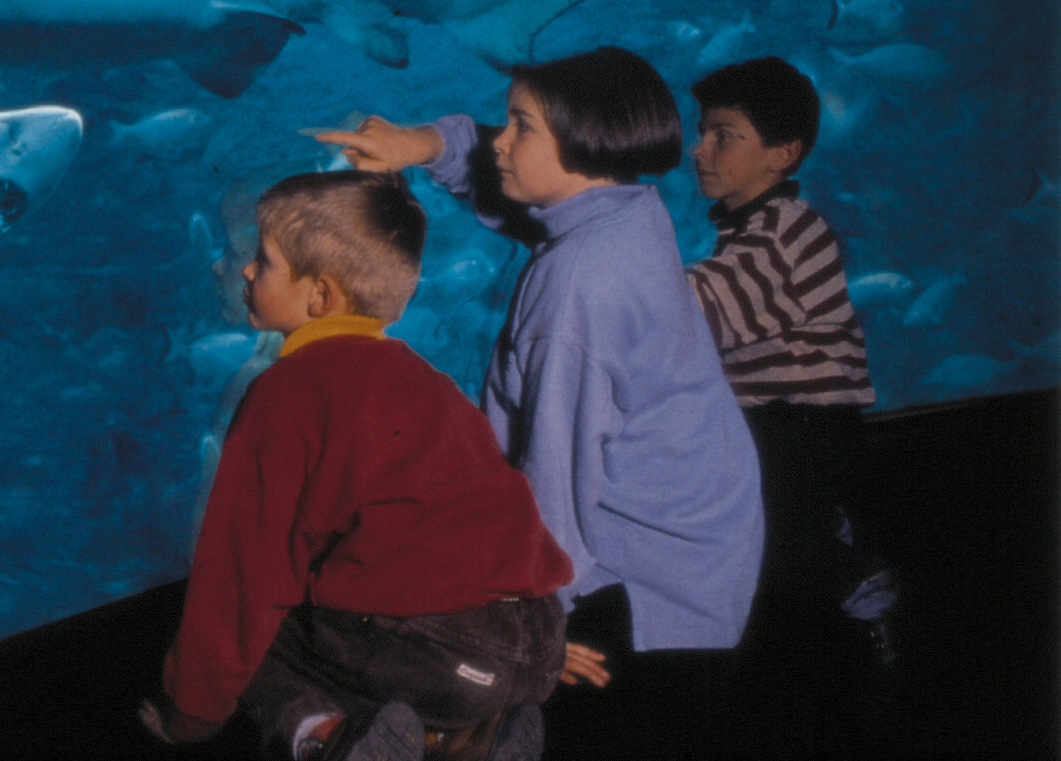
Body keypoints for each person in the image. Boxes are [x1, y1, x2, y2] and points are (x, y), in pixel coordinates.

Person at [318, 46, 764, 760]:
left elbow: (560, 479)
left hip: (644, 571)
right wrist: (421, 143)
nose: (501, 139)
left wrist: (528, 632)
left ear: (585, 141)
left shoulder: (578, 292)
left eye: (521, 127)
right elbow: (504, 187)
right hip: (699, 529)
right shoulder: (622, 207)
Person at [139, 170, 573, 761]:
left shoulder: (286, 391)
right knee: (388, 638)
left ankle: (328, 739)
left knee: (261, 637)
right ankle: (477, 738)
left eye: (262, 262)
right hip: (531, 637)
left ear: (319, 296)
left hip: (437, 650)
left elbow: (242, 574)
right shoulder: (431, 381)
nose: (245, 270)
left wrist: (190, 710)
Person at [686, 57, 897, 751]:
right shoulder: (753, 229)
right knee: (783, 611)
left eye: (725, 135)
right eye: (702, 131)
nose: (700, 149)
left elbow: (690, 311)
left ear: (784, 153)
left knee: (802, 609)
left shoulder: (781, 235)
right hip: (778, 439)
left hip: (803, 441)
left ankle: (872, 670)